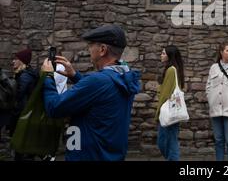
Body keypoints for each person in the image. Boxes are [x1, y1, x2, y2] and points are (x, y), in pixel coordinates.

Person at [41, 24, 140, 161]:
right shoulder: (125, 76)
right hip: (110, 155)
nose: (89, 50)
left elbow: (54, 107)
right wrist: (75, 76)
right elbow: (102, 94)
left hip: (88, 155)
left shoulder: (97, 81)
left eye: (91, 45)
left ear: (102, 50)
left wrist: (47, 77)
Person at [155, 45, 185, 161]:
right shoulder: (174, 69)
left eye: (163, 53)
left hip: (168, 112)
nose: (161, 55)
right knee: (168, 142)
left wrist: (157, 113)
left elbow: (165, 95)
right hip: (172, 111)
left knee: (167, 144)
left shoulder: (171, 70)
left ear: (169, 56)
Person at [9, 48, 39, 161]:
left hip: (22, 116)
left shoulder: (24, 76)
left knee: (21, 148)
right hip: (27, 115)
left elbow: (18, 96)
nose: (13, 61)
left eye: (16, 59)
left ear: (21, 61)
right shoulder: (27, 74)